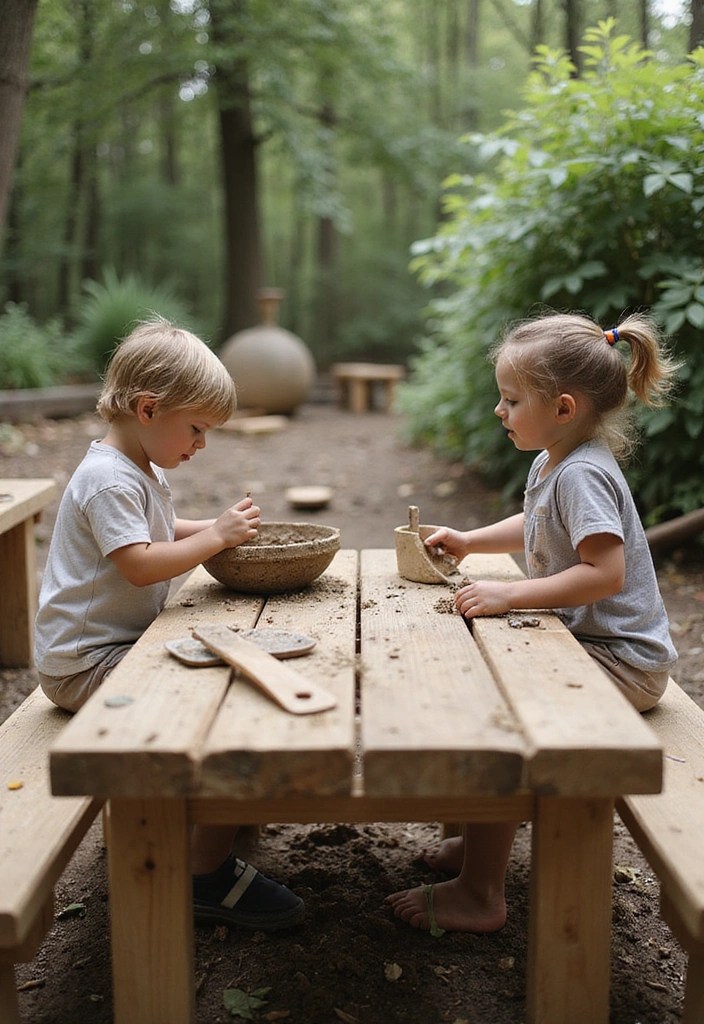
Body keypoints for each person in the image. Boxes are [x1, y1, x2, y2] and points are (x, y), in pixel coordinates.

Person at [386, 310, 680, 936]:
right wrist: (469, 540)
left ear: (565, 407)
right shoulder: (556, 461)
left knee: (506, 724)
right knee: (485, 681)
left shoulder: (583, 473)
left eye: (512, 399)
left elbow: (604, 573)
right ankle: (480, 839)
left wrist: (513, 596)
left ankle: (480, 891)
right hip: (595, 645)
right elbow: (535, 524)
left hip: (623, 658)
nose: (500, 410)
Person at [34, 317, 304, 931]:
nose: (201, 445)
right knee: (227, 705)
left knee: (234, 675)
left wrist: (215, 530)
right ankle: (200, 874)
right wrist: (213, 537)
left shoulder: (136, 469)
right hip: (85, 664)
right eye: (197, 430)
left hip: (112, 648)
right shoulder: (106, 479)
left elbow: (155, 532)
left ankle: (219, 822)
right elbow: (138, 564)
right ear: (149, 408)